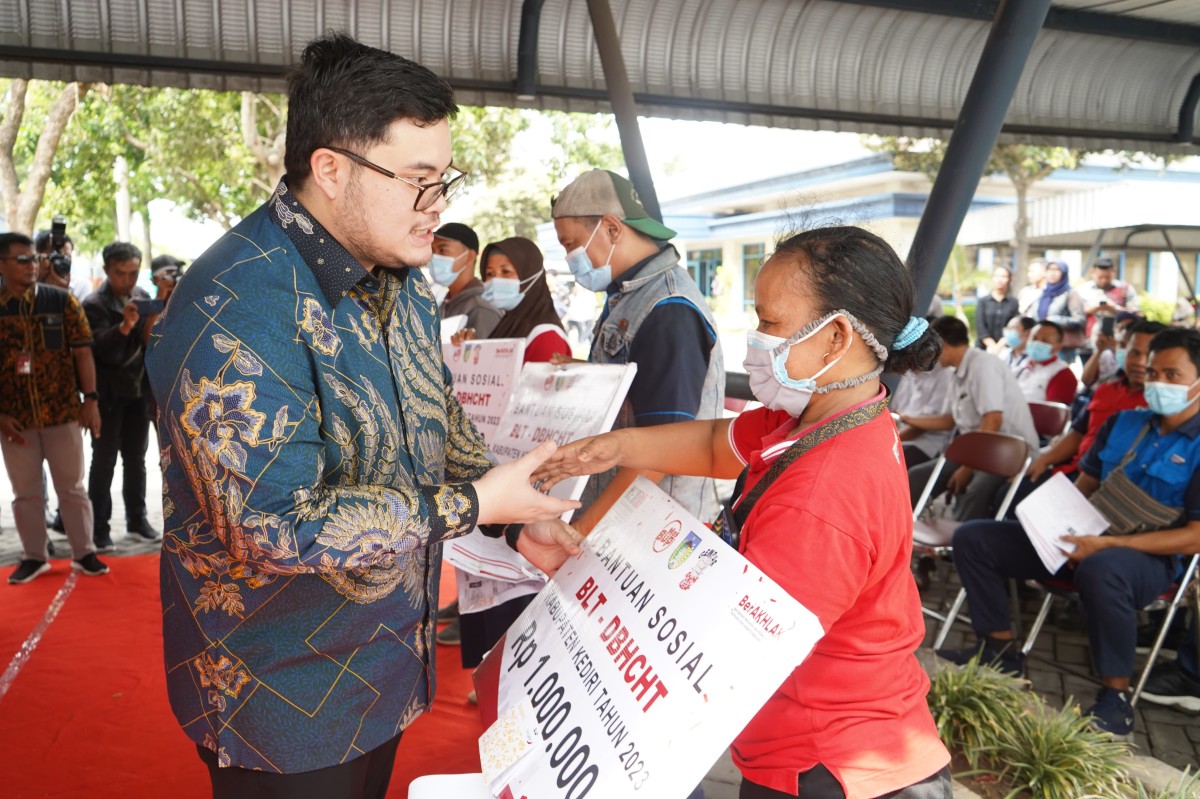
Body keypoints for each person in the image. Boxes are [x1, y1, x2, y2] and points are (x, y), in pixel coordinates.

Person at [144, 33, 582, 797]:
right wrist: (477, 503)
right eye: (417, 180)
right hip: (280, 693)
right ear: (330, 168)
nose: (438, 207)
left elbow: (435, 414)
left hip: (384, 665)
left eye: (443, 178)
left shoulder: (401, 277)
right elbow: (271, 524)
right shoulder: (239, 301)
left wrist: (515, 514)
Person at [535, 226, 952, 799]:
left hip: (830, 766)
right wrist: (614, 447)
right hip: (814, 744)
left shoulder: (824, 495)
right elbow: (714, 444)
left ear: (834, 339)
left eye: (770, 322)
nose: (756, 339)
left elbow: (726, 653)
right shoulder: (821, 418)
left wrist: (593, 581)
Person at [937, 327, 1200, 737]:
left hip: (1150, 560)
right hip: (1086, 539)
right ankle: (1001, 648)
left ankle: (1115, 695)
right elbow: (1086, 488)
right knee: (974, 537)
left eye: (1172, 376)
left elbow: (1194, 537)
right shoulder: (1123, 424)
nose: (1157, 383)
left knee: (1103, 568)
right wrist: (1055, 525)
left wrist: (1105, 544)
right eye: (1152, 373)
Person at [551, 168, 724, 525]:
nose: (569, 258)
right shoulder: (629, 294)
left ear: (613, 228)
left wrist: (585, 530)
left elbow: (662, 448)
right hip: (627, 514)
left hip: (655, 526)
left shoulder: (668, 309)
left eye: (571, 244)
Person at [0, 232, 107, 584]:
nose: (33, 265)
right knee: (26, 493)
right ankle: (34, 556)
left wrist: (90, 400)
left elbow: (82, 352)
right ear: (2, 264)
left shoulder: (60, 301)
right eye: (23, 260)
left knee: (72, 487)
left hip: (63, 413)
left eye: (35, 259)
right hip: (16, 420)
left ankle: (84, 552)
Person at [901, 315, 1039, 521]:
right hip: (977, 449)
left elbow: (992, 420)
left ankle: (960, 546)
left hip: (1005, 450)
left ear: (943, 345)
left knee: (974, 489)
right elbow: (950, 420)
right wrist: (909, 420)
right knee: (919, 476)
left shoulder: (983, 365)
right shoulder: (957, 372)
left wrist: (968, 467)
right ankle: (903, 535)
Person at [82, 242, 161, 551]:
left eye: (132, 272)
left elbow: (151, 341)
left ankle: (137, 520)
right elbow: (98, 350)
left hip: (138, 392)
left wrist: (158, 308)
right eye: (120, 273)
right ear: (106, 271)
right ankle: (99, 528)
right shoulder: (94, 304)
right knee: (103, 462)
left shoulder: (141, 297)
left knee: (136, 460)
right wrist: (126, 325)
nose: (127, 280)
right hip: (107, 396)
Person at [475, 236, 570, 361]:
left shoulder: (546, 336)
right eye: (490, 274)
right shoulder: (509, 323)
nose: (495, 280)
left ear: (530, 274)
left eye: (506, 271)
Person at [429, 222, 502, 338]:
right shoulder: (446, 303)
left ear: (470, 257)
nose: (433, 257)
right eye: (432, 251)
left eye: (443, 250)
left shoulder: (481, 309)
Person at [1013, 321, 1077, 404]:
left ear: (1058, 347)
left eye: (1045, 341)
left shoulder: (1062, 373)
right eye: (1034, 338)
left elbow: (1053, 413)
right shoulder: (1021, 365)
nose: (1037, 343)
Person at [1078, 257, 1139, 337]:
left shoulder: (1125, 288)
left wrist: (1115, 309)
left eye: (1108, 277)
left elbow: (1135, 313)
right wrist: (1094, 309)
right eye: (1100, 277)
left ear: (1114, 272)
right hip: (1087, 336)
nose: (1104, 280)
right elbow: (1075, 314)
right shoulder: (1082, 290)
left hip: (1118, 336)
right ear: (1092, 273)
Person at [976, 266, 1018, 352]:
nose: (999, 279)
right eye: (997, 276)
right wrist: (992, 346)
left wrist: (999, 346)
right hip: (983, 348)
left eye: (1003, 276)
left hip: (1006, 348)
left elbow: (1014, 326)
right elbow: (980, 325)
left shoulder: (1013, 302)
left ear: (1009, 279)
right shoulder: (983, 301)